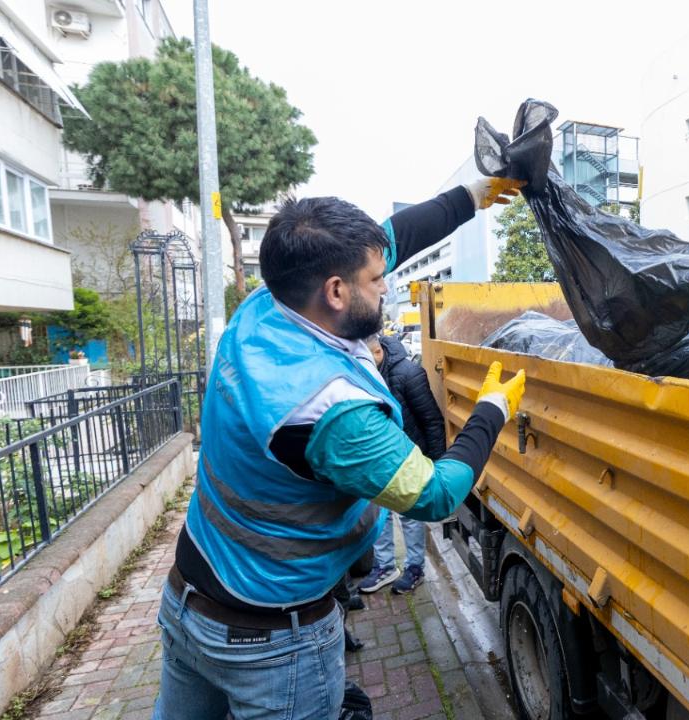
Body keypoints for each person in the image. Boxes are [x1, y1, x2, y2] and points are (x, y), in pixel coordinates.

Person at [153, 177, 526, 720]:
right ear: (335, 291)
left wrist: (473, 194)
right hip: (270, 643)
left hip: (189, 595)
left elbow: (393, 236)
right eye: (378, 281)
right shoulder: (329, 410)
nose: (386, 288)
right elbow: (436, 494)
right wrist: (492, 408)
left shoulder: (266, 305)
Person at [358, 333, 445, 594]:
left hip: (407, 460)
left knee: (410, 516)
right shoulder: (361, 377)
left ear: (376, 353)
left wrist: (438, 464)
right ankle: (384, 566)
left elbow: (432, 420)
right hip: (375, 461)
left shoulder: (409, 373)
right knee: (380, 517)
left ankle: (415, 567)